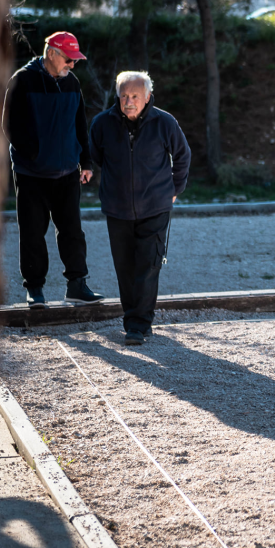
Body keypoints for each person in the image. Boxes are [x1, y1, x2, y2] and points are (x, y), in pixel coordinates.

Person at [2, 31, 104, 308]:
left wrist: (85, 162)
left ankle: (77, 285)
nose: (72, 65)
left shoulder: (72, 83)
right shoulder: (22, 80)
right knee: (32, 232)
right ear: (51, 53)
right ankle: (35, 289)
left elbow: (80, 124)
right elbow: (9, 125)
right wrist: (33, 154)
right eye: (69, 59)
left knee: (73, 231)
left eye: (75, 61)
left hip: (67, 172)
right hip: (31, 173)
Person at [90, 71, 190, 346]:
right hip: (117, 208)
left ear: (147, 97)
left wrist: (174, 189)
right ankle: (134, 318)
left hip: (155, 207)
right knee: (125, 267)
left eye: (135, 96)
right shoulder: (102, 123)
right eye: (124, 95)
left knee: (148, 265)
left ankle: (138, 324)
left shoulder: (165, 122)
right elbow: (96, 155)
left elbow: (183, 155)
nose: (129, 101)